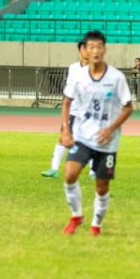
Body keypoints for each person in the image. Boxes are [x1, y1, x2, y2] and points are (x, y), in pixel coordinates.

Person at [59, 31, 134, 236]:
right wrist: (66, 130)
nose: (95, 51)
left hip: (107, 142)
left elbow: (128, 107)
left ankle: (96, 224)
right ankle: (76, 215)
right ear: (85, 50)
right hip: (82, 136)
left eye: (99, 46)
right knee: (70, 174)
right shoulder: (78, 75)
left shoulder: (116, 78)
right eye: (91, 47)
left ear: (105, 49)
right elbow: (66, 102)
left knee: (101, 187)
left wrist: (110, 128)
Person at [43, 38, 89, 179]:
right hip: (74, 110)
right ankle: (54, 169)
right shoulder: (73, 68)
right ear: (80, 50)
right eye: (84, 48)